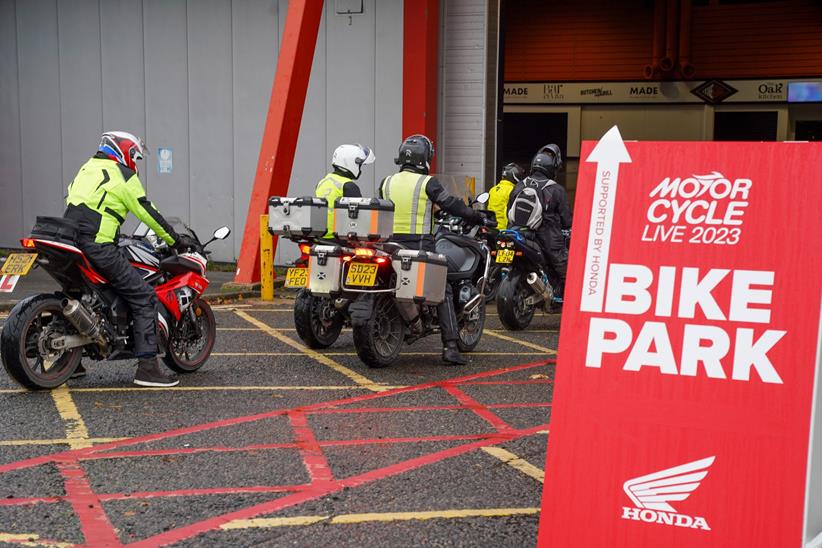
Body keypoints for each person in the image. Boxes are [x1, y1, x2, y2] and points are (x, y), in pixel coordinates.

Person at [64, 131, 193, 387]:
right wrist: (176, 241)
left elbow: (78, 200)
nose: (135, 162)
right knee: (144, 297)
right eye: (134, 155)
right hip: (98, 245)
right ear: (122, 151)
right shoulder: (123, 174)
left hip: (69, 241)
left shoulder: (87, 168)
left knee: (82, 296)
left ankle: (70, 362)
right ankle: (148, 368)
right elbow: (146, 212)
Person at [379, 134, 488, 365]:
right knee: (443, 287)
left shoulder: (386, 181)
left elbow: (400, 209)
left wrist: (435, 213)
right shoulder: (428, 183)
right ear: (425, 158)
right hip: (419, 245)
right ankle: (450, 347)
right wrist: (476, 216)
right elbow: (452, 204)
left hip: (388, 246)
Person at [508, 143, 572, 304]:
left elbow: (508, 210)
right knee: (567, 270)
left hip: (519, 233)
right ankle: (567, 304)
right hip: (548, 238)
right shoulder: (557, 190)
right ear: (553, 168)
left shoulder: (519, 185)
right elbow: (567, 221)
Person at [314, 144, 375, 238]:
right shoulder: (348, 186)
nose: (359, 169)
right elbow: (361, 219)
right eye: (359, 165)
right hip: (341, 238)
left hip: (321, 237)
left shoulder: (322, 182)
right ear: (349, 162)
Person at [488, 162, 524, 230]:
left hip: (492, 228)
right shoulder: (513, 191)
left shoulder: (493, 189)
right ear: (514, 176)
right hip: (504, 231)